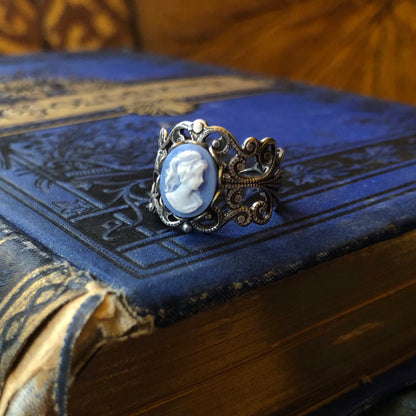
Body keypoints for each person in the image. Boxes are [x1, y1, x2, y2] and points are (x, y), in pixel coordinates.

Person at [164, 150, 208, 214]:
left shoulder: (197, 200)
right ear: (186, 176)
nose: (202, 180)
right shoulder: (170, 198)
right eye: (198, 176)